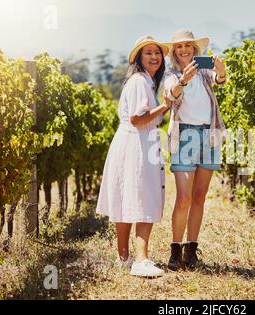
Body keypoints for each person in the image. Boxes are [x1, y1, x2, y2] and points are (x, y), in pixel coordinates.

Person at [96, 36, 170, 277]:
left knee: (127, 198)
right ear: (138, 58)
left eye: (157, 53)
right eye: (148, 53)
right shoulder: (140, 81)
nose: (154, 57)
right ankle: (141, 260)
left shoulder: (142, 81)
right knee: (143, 197)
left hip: (130, 142)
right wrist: (165, 106)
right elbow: (138, 119)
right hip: (137, 143)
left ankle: (124, 257)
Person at [164, 30, 227, 270]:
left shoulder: (203, 72)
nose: (184, 49)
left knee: (199, 197)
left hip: (209, 135)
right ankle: (175, 250)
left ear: (194, 49)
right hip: (184, 137)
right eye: (179, 46)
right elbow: (171, 94)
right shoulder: (172, 74)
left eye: (187, 46)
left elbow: (219, 79)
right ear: (174, 51)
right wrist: (183, 80)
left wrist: (220, 70)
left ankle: (191, 250)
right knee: (184, 198)